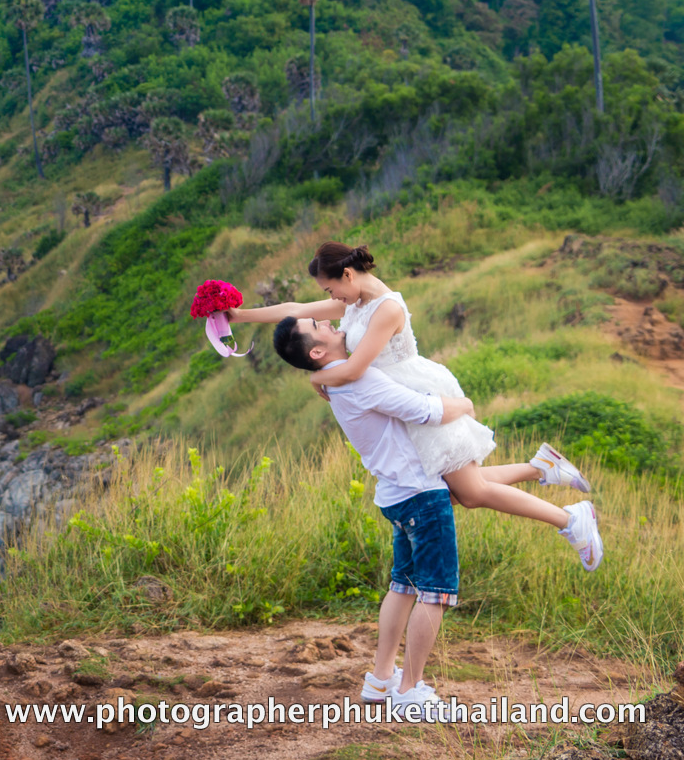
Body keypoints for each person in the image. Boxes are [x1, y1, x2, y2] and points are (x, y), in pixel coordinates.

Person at [271, 315, 599, 719]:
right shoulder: (355, 379)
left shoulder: (338, 379)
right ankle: (410, 693)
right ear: (317, 351)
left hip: (395, 494)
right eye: (317, 325)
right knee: (435, 592)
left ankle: (380, 680)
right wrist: (464, 404)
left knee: (404, 585)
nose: (328, 320)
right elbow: (424, 411)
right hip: (420, 496)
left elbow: (335, 309)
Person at [227, 242, 601, 571]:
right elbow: (294, 309)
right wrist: (239, 316)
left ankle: (570, 519)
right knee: (458, 491)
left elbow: (356, 369)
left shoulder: (386, 308)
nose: (331, 298)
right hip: (395, 398)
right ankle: (541, 468)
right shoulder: (353, 301)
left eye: (331, 288)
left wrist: (317, 377)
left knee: (468, 493)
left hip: (416, 394)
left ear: (347, 274)